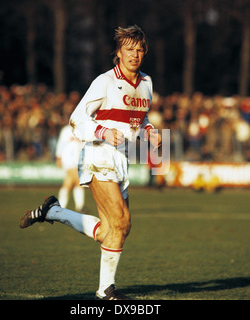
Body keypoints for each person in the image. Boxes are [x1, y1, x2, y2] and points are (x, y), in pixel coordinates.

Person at [19, 25, 161, 300]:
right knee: (120, 222)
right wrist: (102, 131)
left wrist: (149, 130)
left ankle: (52, 212)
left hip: (121, 158)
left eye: (139, 49)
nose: (135, 54)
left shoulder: (147, 83)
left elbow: (138, 117)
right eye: (129, 49)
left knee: (114, 230)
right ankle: (106, 290)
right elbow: (77, 119)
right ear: (118, 53)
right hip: (98, 154)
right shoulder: (104, 81)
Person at [55, 124, 85, 212]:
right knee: (74, 182)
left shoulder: (82, 129)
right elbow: (61, 144)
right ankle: (77, 206)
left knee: (75, 183)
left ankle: (75, 206)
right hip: (69, 160)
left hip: (78, 160)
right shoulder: (66, 130)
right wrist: (59, 157)